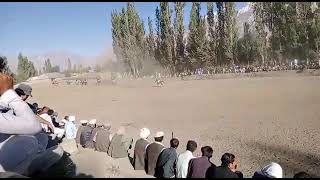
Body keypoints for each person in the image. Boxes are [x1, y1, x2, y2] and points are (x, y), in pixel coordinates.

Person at [0, 73, 63, 176]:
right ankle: (24, 170)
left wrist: (46, 122)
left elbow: (32, 117)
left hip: (10, 136)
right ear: (24, 95)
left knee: (42, 137)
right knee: (30, 142)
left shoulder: (11, 102)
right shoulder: (13, 100)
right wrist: (8, 94)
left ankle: (30, 160)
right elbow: (33, 125)